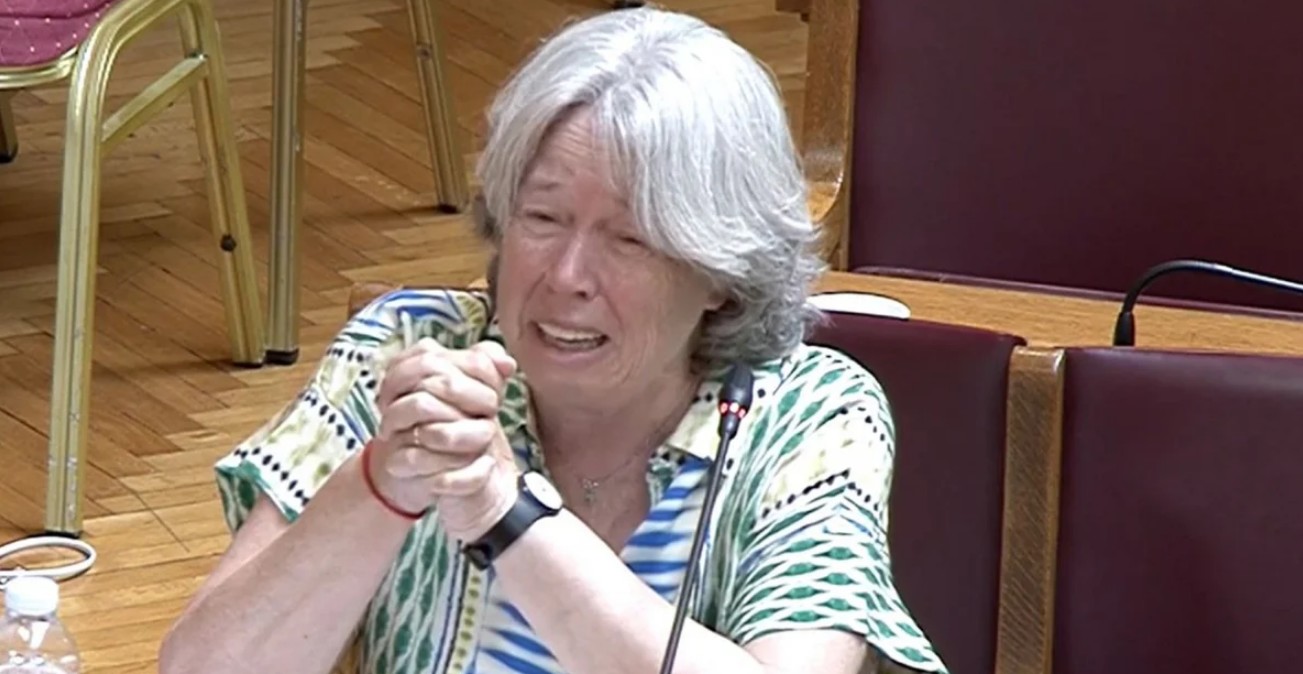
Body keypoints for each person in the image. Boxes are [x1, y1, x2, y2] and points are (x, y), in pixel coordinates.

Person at [159, 7, 948, 674]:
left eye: (629, 239)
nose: (566, 275)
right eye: (541, 217)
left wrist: (506, 515)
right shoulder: (405, 349)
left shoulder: (811, 414)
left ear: (720, 272)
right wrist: (382, 481)